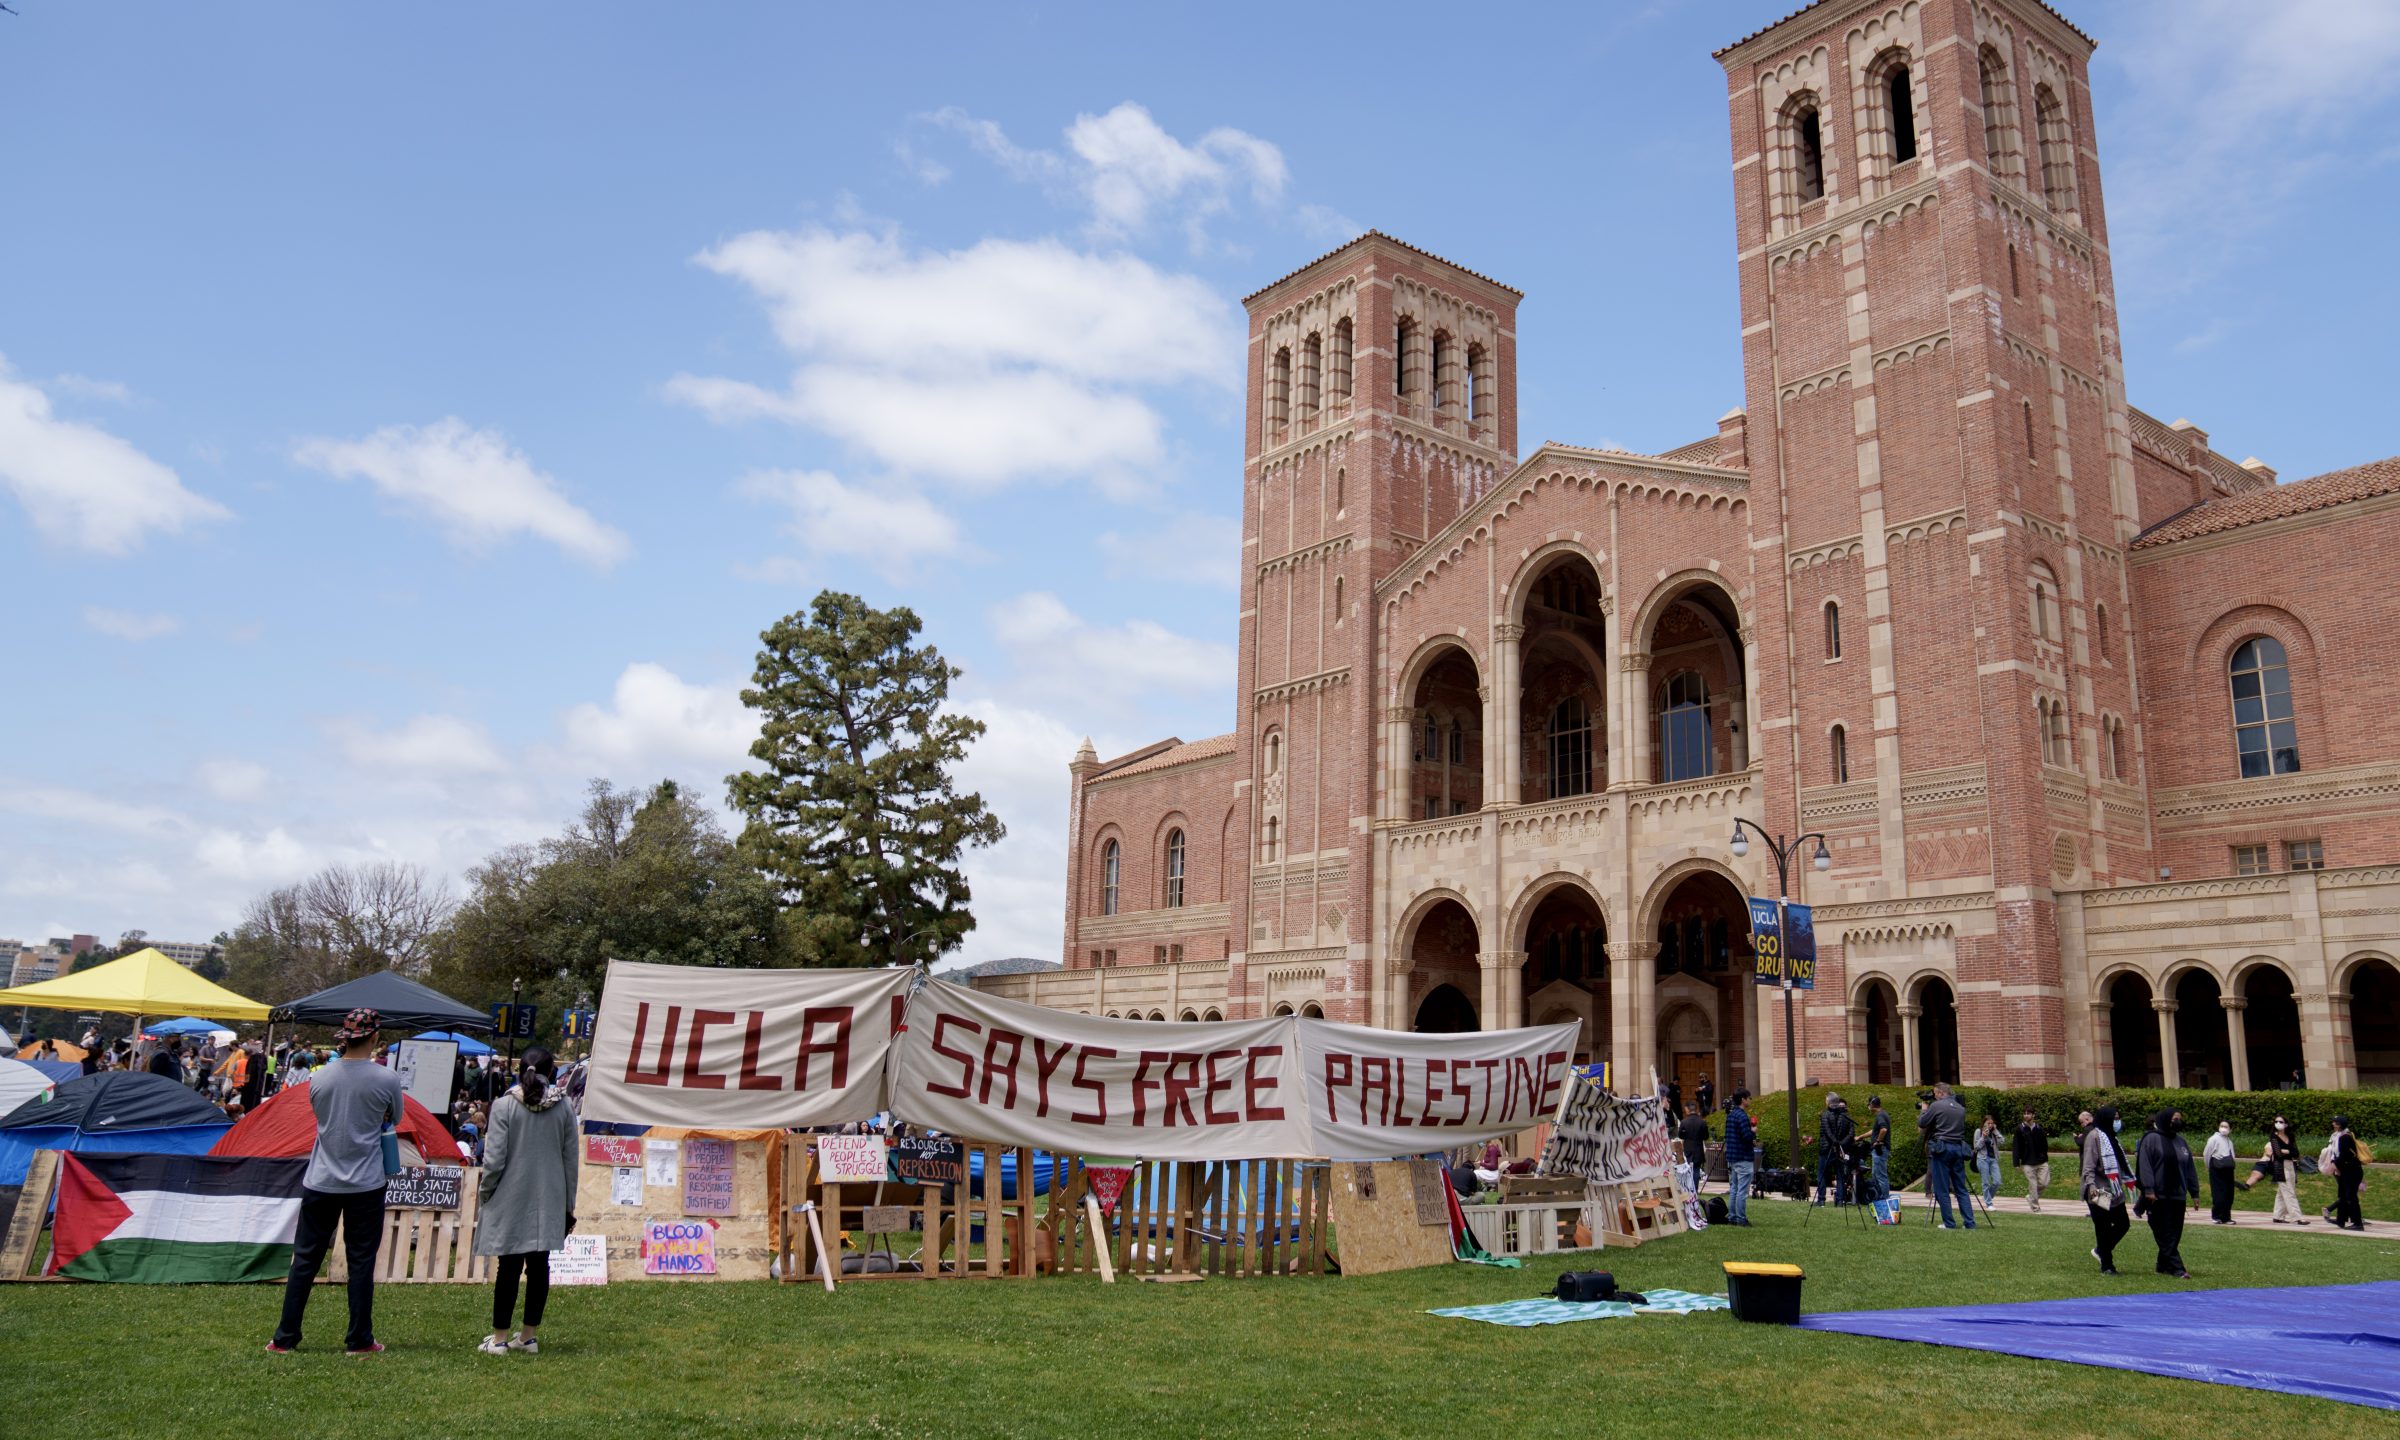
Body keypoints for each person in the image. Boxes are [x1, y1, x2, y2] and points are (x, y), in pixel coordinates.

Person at [268, 1008, 402, 1356]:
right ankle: (359, 1339)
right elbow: (395, 1118)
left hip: (321, 1179)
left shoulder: (320, 1077)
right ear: (374, 1038)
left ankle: (285, 1338)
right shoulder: (386, 1079)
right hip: (366, 1183)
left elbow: (321, 1116)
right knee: (361, 1262)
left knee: (305, 1260)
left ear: (344, 1038)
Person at [475, 1049, 578, 1355]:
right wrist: (568, 1204)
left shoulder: (505, 1105)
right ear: (553, 1072)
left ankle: (500, 1338)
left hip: (510, 1192)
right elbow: (570, 1160)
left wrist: (486, 1192)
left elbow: (493, 1160)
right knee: (539, 1265)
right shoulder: (564, 1107)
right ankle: (528, 1336)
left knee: (508, 1265)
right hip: (550, 1195)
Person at [2135, 1108, 2194, 1279]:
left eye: (2179, 1119)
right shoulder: (2151, 1139)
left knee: (2175, 1232)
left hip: (2178, 1194)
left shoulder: (2181, 1141)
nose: (2178, 1122)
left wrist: (2194, 1192)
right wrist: (2149, 1189)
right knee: (2165, 1232)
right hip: (2158, 1195)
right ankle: (2177, 1268)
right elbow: (2145, 1166)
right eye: (2175, 1118)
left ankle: (2163, 1264)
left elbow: (2189, 1167)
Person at [2081, 1104, 2133, 1275]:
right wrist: (2091, 1187)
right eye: (2114, 1118)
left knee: (2123, 1223)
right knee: (2102, 1226)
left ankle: (2101, 1250)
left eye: (2118, 1118)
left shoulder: (2112, 1138)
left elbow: (2120, 1163)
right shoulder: (2094, 1136)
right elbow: (2088, 1165)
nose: (2117, 1121)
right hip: (2099, 1189)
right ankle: (2107, 1265)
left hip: (2115, 1189)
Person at [1917, 1082, 1975, 1228]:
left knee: (1941, 1188)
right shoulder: (1960, 1108)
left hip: (1942, 1148)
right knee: (1960, 1188)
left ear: (1941, 1093)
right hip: (1958, 1148)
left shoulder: (1936, 1106)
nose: (1935, 1097)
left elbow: (1923, 1123)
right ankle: (1969, 1223)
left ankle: (1949, 1223)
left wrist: (1924, 1110)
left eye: (1936, 1094)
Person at [2254, 1117, 2307, 1225]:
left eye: (2281, 1122)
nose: (2278, 1123)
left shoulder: (2290, 1136)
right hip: (2279, 1166)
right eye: (2276, 1121)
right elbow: (2278, 1154)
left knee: (2282, 1192)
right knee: (2289, 1192)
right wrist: (2288, 1151)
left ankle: (2277, 1216)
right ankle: (2297, 1217)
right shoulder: (2274, 1137)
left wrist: (2286, 1151)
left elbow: (2296, 1153)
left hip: (2291, 1165)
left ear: (2286, 1124)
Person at [1813, 1094, 1856, 1206]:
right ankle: (1840, 1200)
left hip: (1826, 1149)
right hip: (1840, 1150)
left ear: (1828, 1102)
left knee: (1822, 1174)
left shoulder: (1825, 1115)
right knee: (1840, 1175)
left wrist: (1836, 1143)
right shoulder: (1846, 1116)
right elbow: (1851, 1134)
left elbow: (1827, 1132)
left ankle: (1821, 1199)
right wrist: (1841, 1144)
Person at [1721, 1088, 1756, 1226]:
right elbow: (1746, 1136)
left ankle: (1732, 1217)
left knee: (1734, 1188)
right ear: (1743, 1099)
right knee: (1742, 1190)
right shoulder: (1742, 1116)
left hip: (1732, 1157)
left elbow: (1732, 1136)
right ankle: (1741, 1218)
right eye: (1749, 1098)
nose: (1750, 1100)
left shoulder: (1731, 1115)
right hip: (1743, 1157)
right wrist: (1753, 1132)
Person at [2328, 1114, 2365, 1231]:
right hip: (2346, 1170)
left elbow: (2344, 1156)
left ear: (2339, 1125)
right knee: (2343, 1196)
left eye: (2334, 1122)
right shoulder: (2340, 1136)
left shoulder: (2345, 1137)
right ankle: (2341, 1220)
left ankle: (2358, 1223)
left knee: (2351, 1197)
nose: (2333, 1124)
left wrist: (2335, 1163)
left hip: (2351, 1171)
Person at [2203, 1120, 2244, 1224]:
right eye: (2221, 1126)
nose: (2223, 1128)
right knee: (2218, 1193)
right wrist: (2208, 1166)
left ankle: (2226, 1217)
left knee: (2229, 1193)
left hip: (2228, 1169)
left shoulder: (2229, 1141)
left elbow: (2232, 1155)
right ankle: (2217, 1216)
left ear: (2230, 1129)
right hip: (2216, 1169)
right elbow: (2207, 1153)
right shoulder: (2214, 1139)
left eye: (2226, 1126)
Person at [2014, 1109, 2051, 1212]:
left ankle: (2031, 1197)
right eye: (2024, 1113)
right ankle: (2035, 1208)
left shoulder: (2039, 1129)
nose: (2026, 1115)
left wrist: (2044, 1156)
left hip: (2041, 1161)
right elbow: (2016, 1146)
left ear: (2033, 1115)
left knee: (2044, 1183)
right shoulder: (2020, 1129)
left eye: (2028, 1113)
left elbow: (2045, 1145)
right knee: (2033, 1185)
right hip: (2027, 1162)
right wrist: (2016, 1163)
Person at [1676, 1105, 1711, 1196]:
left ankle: (1688, 1188)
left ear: (1688, 1110)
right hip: (1698, 1147)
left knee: (1687, 1169)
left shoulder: (1684, 1122)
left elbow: (1680, 1135)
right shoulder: (1702, 1122)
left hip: (1688, 1148)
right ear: (1696, 1110)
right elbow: (1706, 1136)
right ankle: (1695, 1189)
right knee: (1696, 1170)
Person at [1972, 1115, 2005, 1207]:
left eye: (1992, 1123)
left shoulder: (1993, 1132)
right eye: (1988, 1123)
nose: (1990, 1125)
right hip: (1982, 1159)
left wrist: (1996, 1131)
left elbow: (2002, 1141)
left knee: (1997, 1181)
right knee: (1985, 1182)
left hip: (1993, 1159)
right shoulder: (1978, 1131)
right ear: (1984, 1123)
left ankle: (1988, 1196)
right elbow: (1976, 1147)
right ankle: (1989, 1203)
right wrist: (1983, 1137)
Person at [1865, 1097, 1893, 1201]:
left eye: (1869, 1105)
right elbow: (1875, 1130)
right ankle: (1878, 1196)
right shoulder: (1882, 1114)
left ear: (1872, 1105)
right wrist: (1860, 1137)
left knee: (1880, 1175)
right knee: (1876, 1174)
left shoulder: (1880, 1115)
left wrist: (1878, 1141)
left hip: (1880, 1149)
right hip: (1879, 1150)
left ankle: (1884, 1199)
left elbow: (1884, 1129)